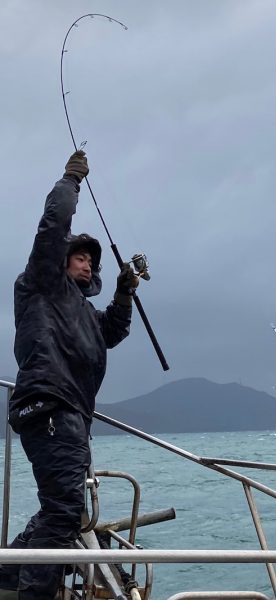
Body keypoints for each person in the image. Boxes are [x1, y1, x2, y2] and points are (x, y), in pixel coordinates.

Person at [1, 151, 139, 599]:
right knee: (63, 513)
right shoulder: (40, 283)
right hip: (50, 404)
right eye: (78, 256)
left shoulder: (83, 311)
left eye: (89, 260)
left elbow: (112, 332)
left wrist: (123, 291)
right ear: (60, 260)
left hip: (71, 414)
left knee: (59, 511)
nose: (86, 262)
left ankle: (7, 574)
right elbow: (52, 226)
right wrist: (70, 180)